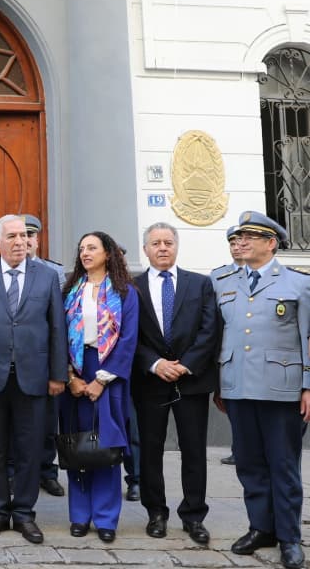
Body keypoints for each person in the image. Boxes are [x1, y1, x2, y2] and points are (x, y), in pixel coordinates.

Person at [0, 214, 67, 545]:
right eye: (12, 236)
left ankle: (24, 514)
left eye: (24, 235)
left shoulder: (47, 277)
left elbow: (57, 327)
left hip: (34, 378)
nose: (20, 241)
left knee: (29, 449)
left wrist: (58, 374)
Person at [216, 211, 310, 569]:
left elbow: (307, 338)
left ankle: (289, 537)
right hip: (238, 385)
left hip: (281, 388)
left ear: (271, 243)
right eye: (239, 238)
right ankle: (261, 527)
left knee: (283, 464)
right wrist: (218, 385)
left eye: (250, 238)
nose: (241, 243)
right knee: (250, 464)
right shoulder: (223, 280)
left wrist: (307, 386)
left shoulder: (298, 284)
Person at [132, 222, 218, 545]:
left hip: (191, 382)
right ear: (146, 250)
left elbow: (210, 330)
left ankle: (194, 515)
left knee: (193, 450)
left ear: (177, 246)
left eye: (168, 242)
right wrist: (154, 364)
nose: (163, 248)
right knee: (150, 451)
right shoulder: (132, 287)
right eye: (156, 243)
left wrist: (185, 365)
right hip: (150, 382)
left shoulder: (200, 285)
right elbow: (129, 336)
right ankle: (156, 512)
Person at [59, 230, 140, 543]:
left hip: (109, 373)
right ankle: (79, 515)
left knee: (106, 445)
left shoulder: (124, 292)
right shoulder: (70, 290)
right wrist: (71, 377)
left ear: (108, 253)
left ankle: (106, 518)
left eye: (92, 248)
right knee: (77, 444)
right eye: (81, 249)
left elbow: (129, 339)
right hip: (75, 372)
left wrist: (101, 380)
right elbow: (59, 334)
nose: (85, 253)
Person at [21, 213, 66, 499]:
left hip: (43, 359)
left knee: (47, 421)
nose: (24, 241)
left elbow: (59, 322)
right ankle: (17, 472)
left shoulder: (55, 273)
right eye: (19, 235)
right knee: (14, 423)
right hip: (12, 360)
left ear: (37, 240)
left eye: (30, 235)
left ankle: (47, 472)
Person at [211, 225, 242, 467]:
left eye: (241, 241)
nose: (237, 247)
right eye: (232, 243)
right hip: (228, 354)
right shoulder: (218, 277)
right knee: (231, 405)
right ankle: (238, 448)